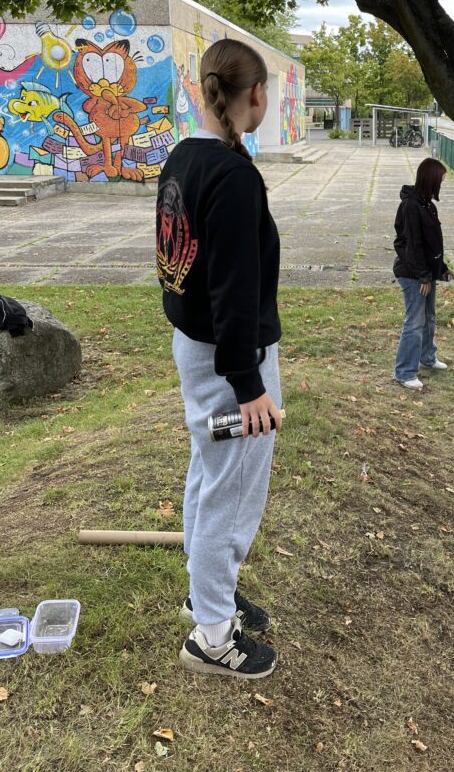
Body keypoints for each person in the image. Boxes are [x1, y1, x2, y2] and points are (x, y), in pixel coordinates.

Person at [156, 38, 284, 680]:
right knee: (229, 492)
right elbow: (234, 290)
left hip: (199, 349)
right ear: (253, 94)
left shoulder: (184, 156)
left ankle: (207, 593)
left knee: (211, 477)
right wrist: (250, 384)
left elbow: (181, 263)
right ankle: (211, 634)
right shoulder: (233, 178)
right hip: (228, 359)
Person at [392, 157, 453, 390]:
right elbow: (412, 245)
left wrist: (442, 269)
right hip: (412, 273)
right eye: (441, 181)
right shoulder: (410, 206)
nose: (442, 185)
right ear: (431, 179)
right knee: (415, 321)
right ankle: (405, 371)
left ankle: (427, 356)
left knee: (429, 317)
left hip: (427, 272)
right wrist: (423, 276)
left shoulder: (428, 204)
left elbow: (432, 244)